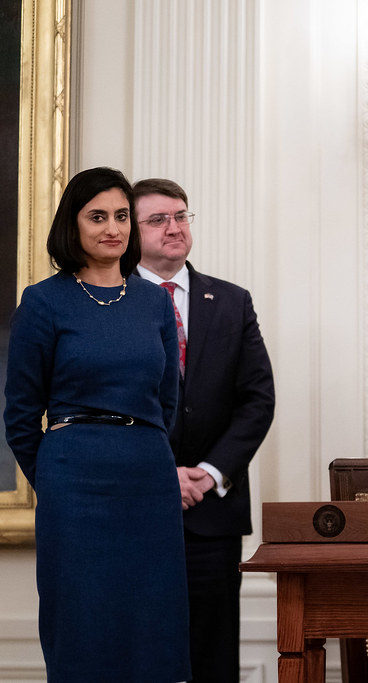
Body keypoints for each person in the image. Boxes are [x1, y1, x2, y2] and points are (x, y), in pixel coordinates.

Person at [3, 167, 190, 680]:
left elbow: (167, 401)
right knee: (81, 618)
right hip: (73, 479)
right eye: (98, 216)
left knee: (152, 618)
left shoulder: (154, 301)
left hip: (148, 479)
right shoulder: (43, 302)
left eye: (122, 216)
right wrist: (57, 477)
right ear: (74, 225)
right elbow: (20, 413)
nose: (113, 227)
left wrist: (146, 453)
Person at [132, 178, 275, 682]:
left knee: (212, 657)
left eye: (181, 216)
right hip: (133, 507)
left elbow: (257, 400)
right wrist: (159, 474)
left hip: (212, 512)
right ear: (132, 231)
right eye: (158, 219)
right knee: (139, 651)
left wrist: (209, 474)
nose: (174, 228)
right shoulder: (111, 301)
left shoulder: (232, 301)